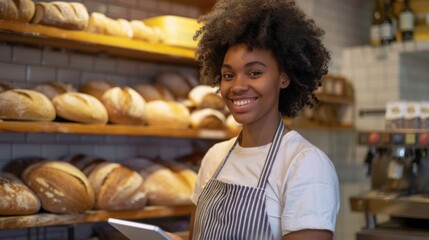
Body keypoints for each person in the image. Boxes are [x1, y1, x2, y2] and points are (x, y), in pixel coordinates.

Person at [180, 0, 340, 239]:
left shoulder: (305, 165)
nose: (238, 86)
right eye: (228, 75)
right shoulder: (214, 157)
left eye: (255, 73)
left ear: (284, 78)